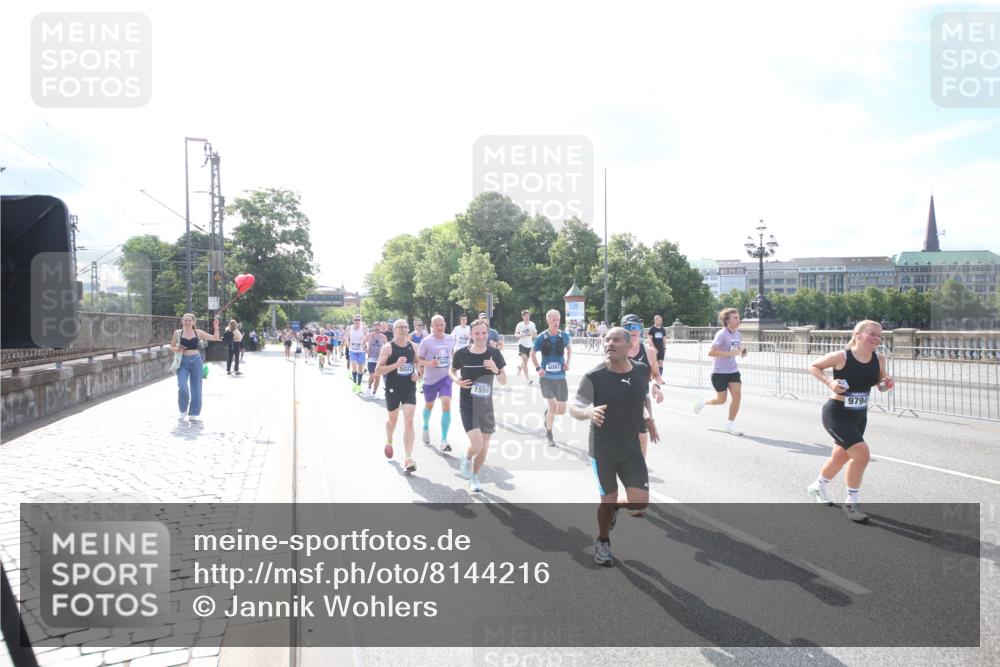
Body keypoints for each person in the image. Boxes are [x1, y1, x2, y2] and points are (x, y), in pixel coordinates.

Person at [570, 327, 658, 566]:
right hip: (603, 450)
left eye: (616, 340)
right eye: (607, 339)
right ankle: (603, 540)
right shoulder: (594, 376)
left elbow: (640, 397)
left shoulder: (641, 370)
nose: (609, 343)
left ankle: (617, 507)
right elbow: (574, 408)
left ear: (629, 345)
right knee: (607, 499)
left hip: (630, 448)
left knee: (640, 502)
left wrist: (648, 418)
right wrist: (589, 413)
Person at [807, 320, 893, 523]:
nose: (877, 339)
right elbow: (814, 366)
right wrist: (830, 382)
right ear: (857, 335)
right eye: (872, 334)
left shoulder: (879, 359)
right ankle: (851, 503)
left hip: (859, 415)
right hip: (837, 413)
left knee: (840, 457)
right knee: (862, 455)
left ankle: (818, 486)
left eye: (879, 335)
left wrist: (886, 384)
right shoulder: (842, 356)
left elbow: (880, 384)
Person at [451, 318, 507, 493]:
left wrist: (496, 370)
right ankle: (467, 457)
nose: (481, 337)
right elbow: (452, 370)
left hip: (486, 406)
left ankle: (474, 477)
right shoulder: (461, 354)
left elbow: (504, 380)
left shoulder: (494, 354)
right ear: (471, 335)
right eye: (477, 333)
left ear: (487, 333)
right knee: (477, 444)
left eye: (484, 333)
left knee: (485, 443)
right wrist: (456, 380)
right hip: (468, 405)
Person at [374, 319, 419, 472]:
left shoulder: (413, 346)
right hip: (393, 388)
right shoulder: (388, 348)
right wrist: (395, 365)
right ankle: (389, 440)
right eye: (400, 327)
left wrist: (418, 374)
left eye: (405, 327)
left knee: (409, 421)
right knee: (393, 420)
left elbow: (418, 363)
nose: (403, 329)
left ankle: (408, 458)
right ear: (394, 330)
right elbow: (378, 370)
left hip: (409, 388)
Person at [693, 308, 746, 435]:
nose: (738, 320)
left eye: (738, 317)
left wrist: (742, 351)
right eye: (735, 317)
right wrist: (730, 353)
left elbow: (737, 348)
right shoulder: (721, 334)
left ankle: (730, 424)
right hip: (719, 372)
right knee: (721, 400)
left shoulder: (738, 334)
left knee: (737, 395)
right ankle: (703, 402)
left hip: (733, 370)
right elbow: (711, 352)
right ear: (727, 321)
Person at [621, 314, 665, 465]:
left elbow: (656, 375)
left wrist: (657, 387)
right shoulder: (616, 350)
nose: (633, 331)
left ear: (640, 330)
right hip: (620, 401)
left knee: (642, 435)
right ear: (623, 330)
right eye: (628, 327)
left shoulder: (649, 352)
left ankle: (640, 468)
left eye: (636, 327)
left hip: (641, 401)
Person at [530, 309, 572, 446]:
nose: (556, 322)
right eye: (553, 320)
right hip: (546, 378)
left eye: (558, 320)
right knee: (553, 408)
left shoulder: (564, 336)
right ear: (548, 320)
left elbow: (569, 349)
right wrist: (539, 368)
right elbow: (532, 354)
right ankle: (549, 434)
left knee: (562, 410)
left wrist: (567, 362)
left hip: (560, 377)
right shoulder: (541, 337)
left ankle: (548, 414)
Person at [170, 314, 222, 423]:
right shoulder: (178, 333)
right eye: (185, 320)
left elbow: (215, 338)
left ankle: (193, 412)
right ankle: (183, 410)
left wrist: (216, 327)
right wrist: (176, 348)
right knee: (182, 387)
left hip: (196, 361)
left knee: (196, 388)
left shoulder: (198, 332)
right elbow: (171, 347)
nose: (187, 322)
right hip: (182, 362)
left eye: (190, 320)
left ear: (193, 322)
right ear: (182, 321)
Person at [417, 314, 455, 451]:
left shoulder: (451, 339)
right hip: (430, 380)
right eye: (436, 325)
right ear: (431, 327)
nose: (439, 327)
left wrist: (455, 370)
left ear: (445, 324)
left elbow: (453, 356)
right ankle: (425, 426)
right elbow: (418, 360)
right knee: (429, 405)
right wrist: (429, 363)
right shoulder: (426, 342)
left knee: (446, 404)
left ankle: (444, 440)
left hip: (446, 378)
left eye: (441, 324)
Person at [514, 310, 537, 385]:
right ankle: (527, 379)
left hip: (529, 345)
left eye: (528, 316)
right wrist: (519, 335)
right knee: (524, 359)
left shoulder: (532, 324)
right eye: (525, 316)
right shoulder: (520, 324)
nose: (527, 317)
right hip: (522, 344)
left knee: (525, 362)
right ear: (522, 317)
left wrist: (531, 334)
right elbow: (515, 334)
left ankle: (519, 368)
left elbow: (535, 334)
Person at [364, 322, 387, 396]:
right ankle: (369, 387)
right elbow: (363, 342)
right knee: (372, 375)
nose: (377, 327)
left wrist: (385, 355)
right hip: (371, 358)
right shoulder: (369, 335)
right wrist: (365, 350)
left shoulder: (383, 336)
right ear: (373, 327)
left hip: (380, 359)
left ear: (380, 327)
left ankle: (374, 392)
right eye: (375, 326)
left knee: (377, 377)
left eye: (378, 326)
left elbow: (387, 346)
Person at [347, 314, 368, 392]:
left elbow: (367, 338)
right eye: (355, 319)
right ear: (353, 320)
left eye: (358, 320)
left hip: (361, 350)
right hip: (352, 350)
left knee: (360, 369)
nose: (357, 321)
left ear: (361, 320)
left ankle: (359, 385)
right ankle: (354, 383)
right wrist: (347, 342)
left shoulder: (364, 328)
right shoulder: (349, 328)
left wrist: (364, 340)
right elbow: (347, 337)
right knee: (354, 366)